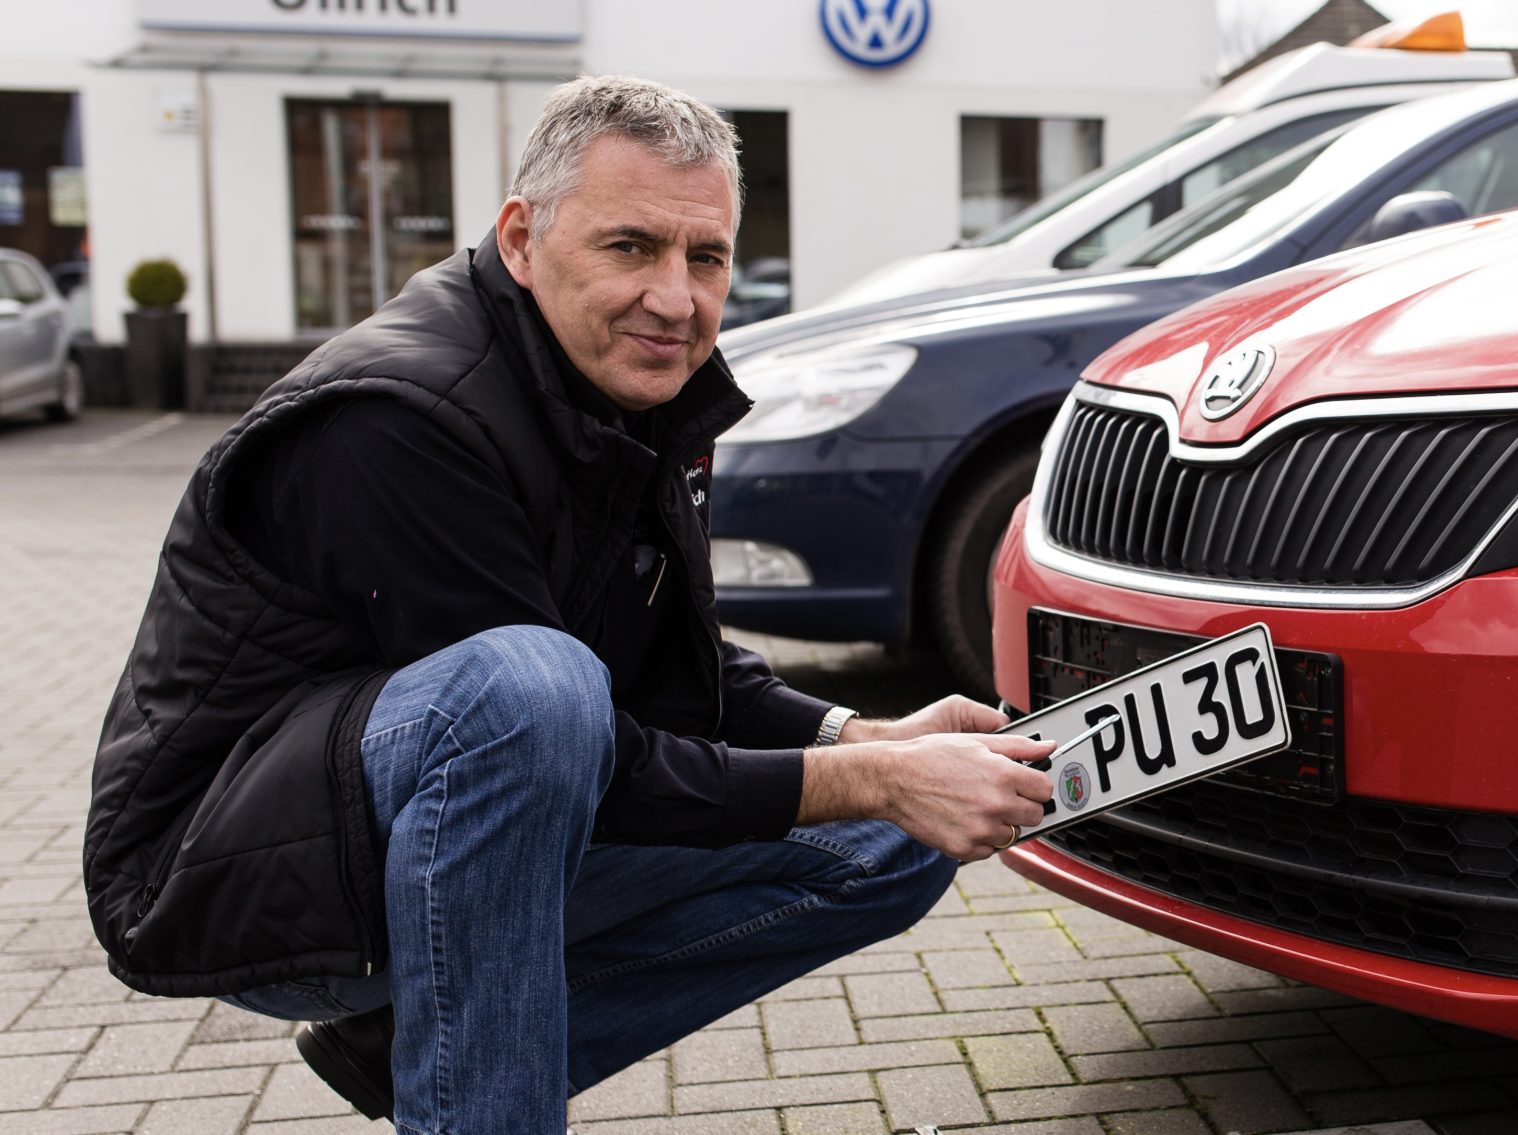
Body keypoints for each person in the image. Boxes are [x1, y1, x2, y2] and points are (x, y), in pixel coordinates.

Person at [82, 75, 1055, 1132]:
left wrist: (866, 738)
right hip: (236, 885)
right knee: (535, 688)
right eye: (629, 247)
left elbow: (678, 663)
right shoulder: (402, 417)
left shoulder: (631, 388)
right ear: (519, 238)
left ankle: (427, 1052)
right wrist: (866, 775)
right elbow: (550, 736)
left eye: (707, 257)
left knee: (892, 836)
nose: (677, 299)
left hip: (453, 818)